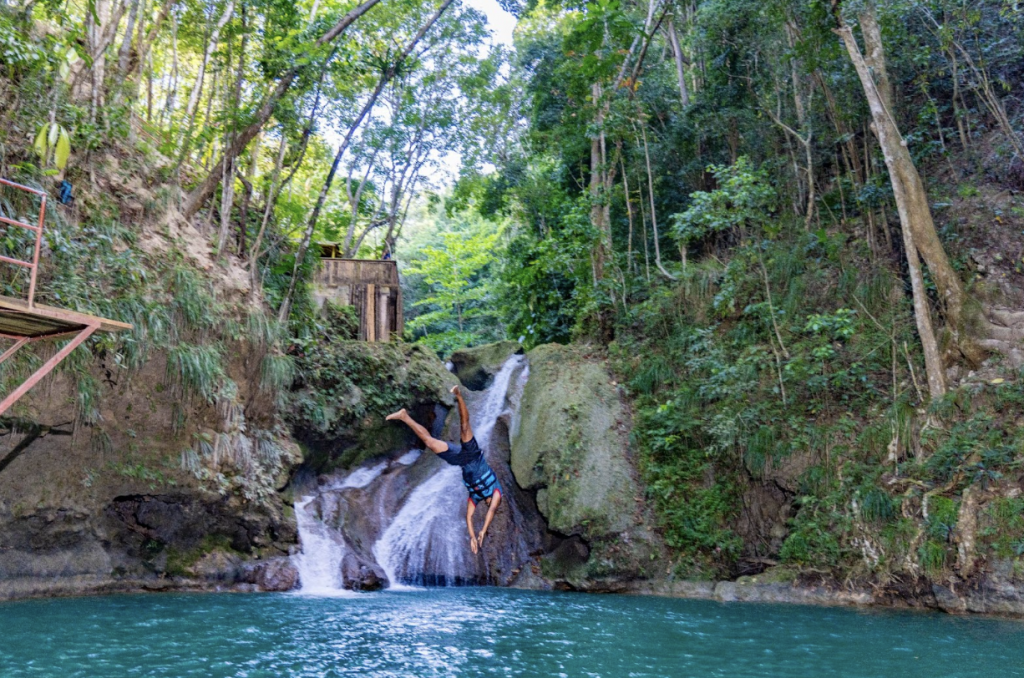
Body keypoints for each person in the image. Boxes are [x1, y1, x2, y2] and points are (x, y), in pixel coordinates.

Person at [386, 386, 502, 554]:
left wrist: (472, 536)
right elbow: (491, 510)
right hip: (473, 454)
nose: (492, 503)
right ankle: (458, 395)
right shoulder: (496, 491)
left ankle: (404, 416)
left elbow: (469, 517)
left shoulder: (476, 496)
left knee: (430, 442)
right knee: (464, 426)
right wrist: (483, 531)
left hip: (460, 460)